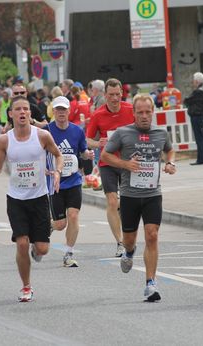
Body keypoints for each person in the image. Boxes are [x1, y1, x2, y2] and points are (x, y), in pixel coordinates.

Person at [0, 95, 63, 302]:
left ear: (30, 113)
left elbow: (58, 154)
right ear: (11, 114)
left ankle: (38, 247)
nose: (22, 113)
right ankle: (26, 286)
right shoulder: (5, 140)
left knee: (42, 248)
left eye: (25, 109)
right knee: (21, 244)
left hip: (39, 197)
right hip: (16, 199)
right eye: (18, 109)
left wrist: (57, 171)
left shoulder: (42, 136)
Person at [101, 94, 176, 302]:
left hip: (153, 194)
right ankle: (129, 252)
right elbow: (105, 156)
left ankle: (151, 283)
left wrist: (170, 163)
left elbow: (170, 151)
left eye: (148, 112)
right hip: (130, 195)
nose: (144, 116)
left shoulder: (161, 133)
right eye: (140, 112)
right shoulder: (122, 133)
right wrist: (125, 164)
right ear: (133, 113)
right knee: (130, 240)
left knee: (152, 235)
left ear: (153, 112)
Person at [86, 78, 135, 257]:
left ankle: (128, 234)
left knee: (129, 203)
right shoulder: (98, 115)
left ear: (122, 94)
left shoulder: (131, 110)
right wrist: (99, 142)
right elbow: (87, 140)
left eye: (117, 94)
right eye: (111, 95)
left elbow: (143, 130)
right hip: (107, 163)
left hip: (127, 163)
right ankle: (120, 242)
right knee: (112, 201)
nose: (114, 98)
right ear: (105, 95)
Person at [48, 96, 95, 267]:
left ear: (69, 111)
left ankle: (68, 254)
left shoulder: (77, 131)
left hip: (74, 180)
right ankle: (50, 226)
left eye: (64, 109)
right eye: (58, 109)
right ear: (53, 111)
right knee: (61, 224)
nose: (61, 112)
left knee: (73, 216)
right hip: (55, 183)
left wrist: (87, 155)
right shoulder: (47, 131)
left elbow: (82, 151)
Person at [184, 72, 203, 165]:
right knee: (202, 137)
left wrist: (187, 101)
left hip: (196, 116)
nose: (193, 82)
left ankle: (200, 159)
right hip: (201, 115)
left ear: (197, 81)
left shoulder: (198, 91)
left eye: (194, 81)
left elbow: (187, 100)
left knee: (199, 138)